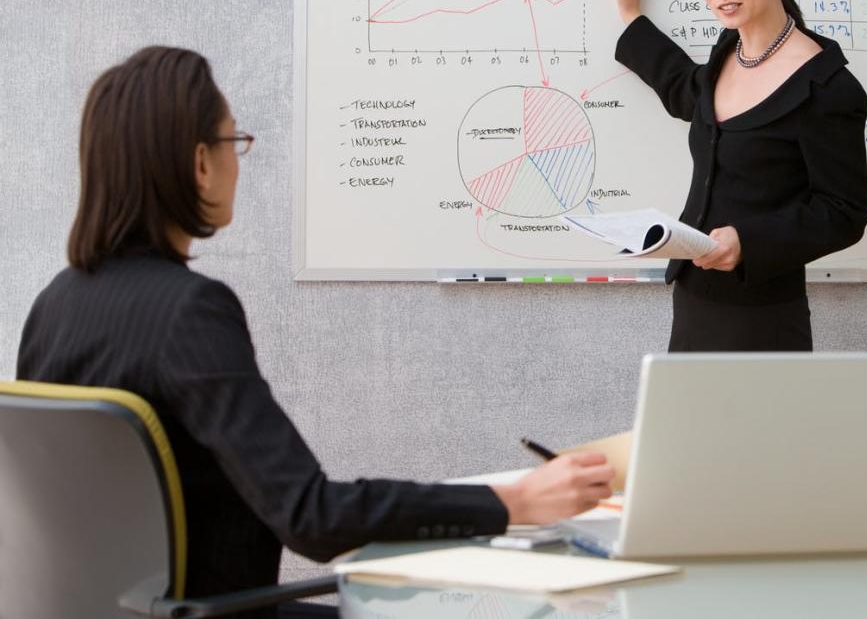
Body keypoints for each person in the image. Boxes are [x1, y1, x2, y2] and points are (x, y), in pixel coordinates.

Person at [17, 47, 614, 618]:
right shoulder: (189, 312)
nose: (237, 161)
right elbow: (311, 516)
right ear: (200, 164)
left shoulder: (55, 303)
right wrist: (513, 503)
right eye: (234, 142)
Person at [605, 0, 867, 352]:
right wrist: (632, 16)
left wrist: (747, 241)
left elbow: (844, 213)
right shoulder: (728, 51)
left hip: (762, 316)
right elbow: (687, 93)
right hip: (694, 300)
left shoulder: (826, 86)